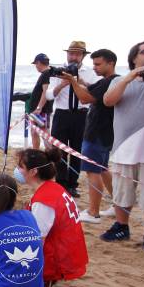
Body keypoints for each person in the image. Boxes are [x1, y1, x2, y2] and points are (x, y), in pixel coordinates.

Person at [100, 40, 144, 250]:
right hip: (125, 145)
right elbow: (108, 100)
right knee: (122, 190)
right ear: (134, 58)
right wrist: (131, 76)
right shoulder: (122, 80)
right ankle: (121, 226)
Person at [15, 148, 88, 287]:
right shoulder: (55, 188)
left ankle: (45, 280)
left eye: (20, 167)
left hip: (58, 258)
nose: (17, 170)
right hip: (68, 251)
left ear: (33, 171)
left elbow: (37, 240)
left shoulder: (44, 200)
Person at [62, 49, 118, 223]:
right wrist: (77, 80)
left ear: (111, 63)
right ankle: (118, 204)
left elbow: (84, 98)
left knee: (92, 171)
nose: (94, 67)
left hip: (97, 132)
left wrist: (72, 82)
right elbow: (89, 88)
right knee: (102, 168)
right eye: (93, 64)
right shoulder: (113, 81)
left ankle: (93, 212)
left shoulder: (109, 82)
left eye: (98, 64)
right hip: (106, 133)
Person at [45, 41, 100, 197]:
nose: (73, 57)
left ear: (83, 56)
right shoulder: (58, 71)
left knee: (77, 151)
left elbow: (97, 91)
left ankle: (72, 184)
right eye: (71, 53)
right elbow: (49, 95)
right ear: (67, 54)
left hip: (82, 115)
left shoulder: (90, 72)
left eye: (77, 54)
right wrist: (62, 84)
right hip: (62, 114)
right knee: (59, 151)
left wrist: (79, 81)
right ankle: (61, 183)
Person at [28, 53, 53, 150]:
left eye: (35, 64)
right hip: (38, 110)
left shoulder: (46, 73)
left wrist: (39, 107)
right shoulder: (47, 73)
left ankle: (50, 156)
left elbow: (45, 91)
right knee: (34, 133)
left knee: (45, 135)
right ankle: (35, 153)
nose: (36, 66)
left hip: (41, 111)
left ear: (38, 63)